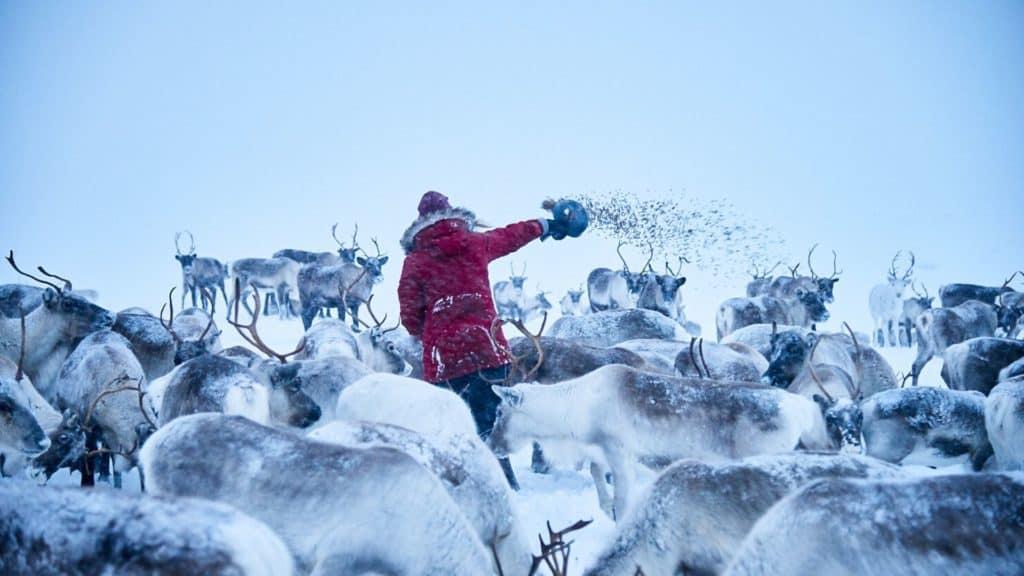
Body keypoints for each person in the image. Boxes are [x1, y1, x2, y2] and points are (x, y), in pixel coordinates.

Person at [398, 191, 584, 489]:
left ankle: (462, 488)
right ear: (452, 211)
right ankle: (506, 487)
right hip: (487, 350)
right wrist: (547, 225)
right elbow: (512, 235)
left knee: (453, 429)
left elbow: (409, 316)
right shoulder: (474, 243)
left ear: (420, 221)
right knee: (489, 423)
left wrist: (433, 334)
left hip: (445, 361)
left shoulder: (416, 261)